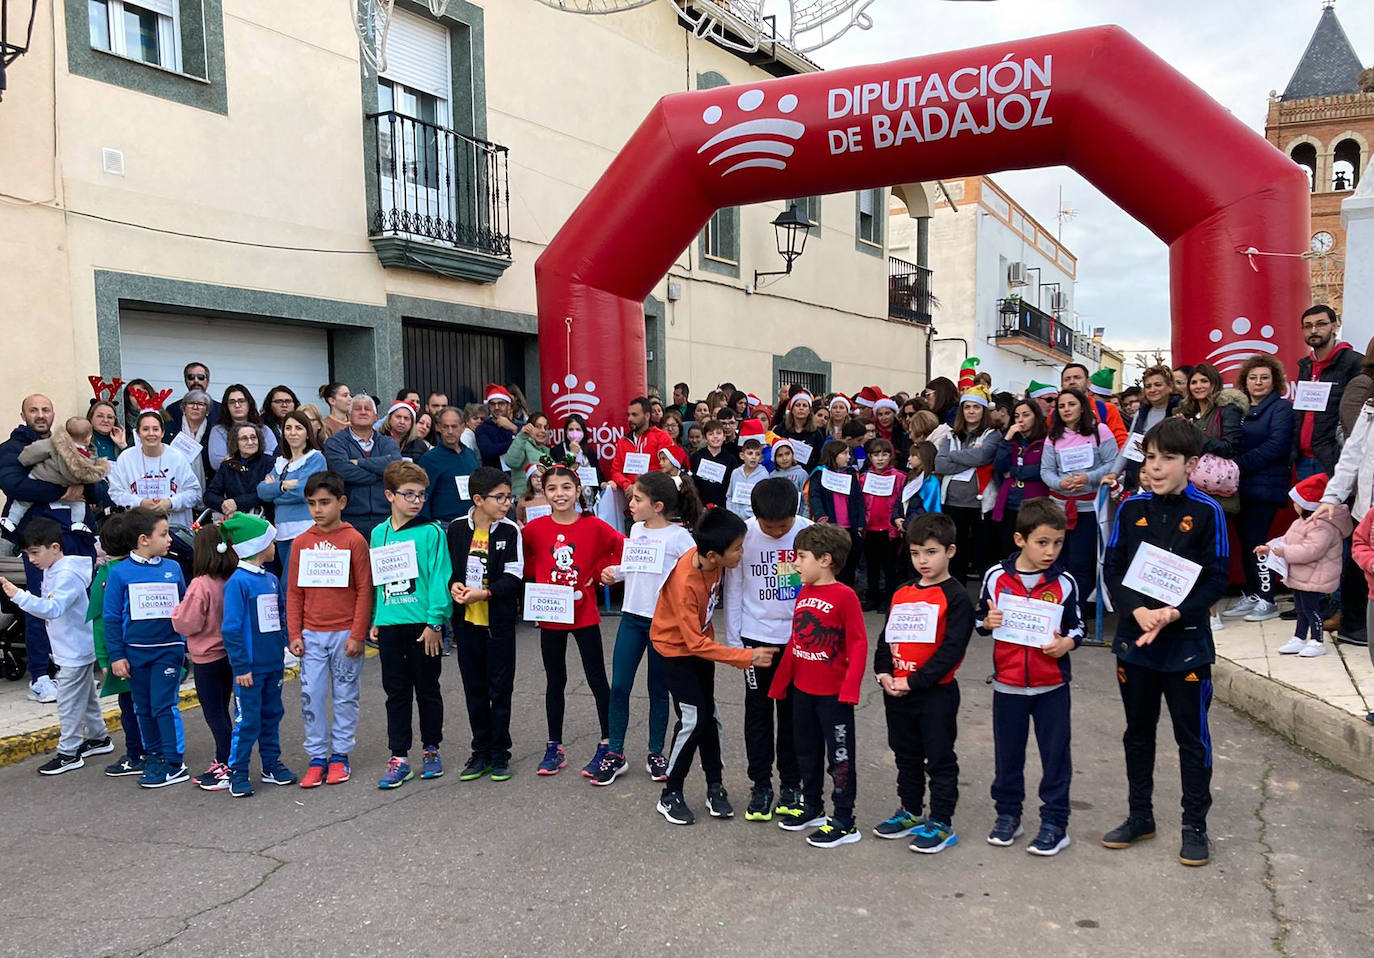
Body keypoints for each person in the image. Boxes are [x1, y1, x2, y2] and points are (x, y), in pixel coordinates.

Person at [1101, 418, 1230, 867]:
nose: (1155, 468)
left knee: (1191, 738)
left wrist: (1176, 612)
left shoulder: (1209, 512)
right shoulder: (1130, 509)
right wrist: (1135, 611)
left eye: (1168, 459)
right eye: (1150, 457)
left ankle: (1195, 825)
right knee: (1137, 733)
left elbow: (1218, 578)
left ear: (1191, 464)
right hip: (1136, 643)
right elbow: (1113, 568)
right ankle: (1141, 816)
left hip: (1187, 646)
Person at [651, 508, 779, 825]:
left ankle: (715, 787)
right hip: (674, 651)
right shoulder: (685, 583)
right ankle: (670, 794)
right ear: (713, 554)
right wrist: (746, 657)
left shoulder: (717, 563)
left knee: (710, 716)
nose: (742, 553)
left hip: (699, 648)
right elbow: (692, 643)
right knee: (694, 719)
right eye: (737, 548)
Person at [974, 499, 1083, 856]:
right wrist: (987, 623)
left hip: (1051, 686)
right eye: (1042, 542)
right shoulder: (995, 577)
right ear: (1020, 539)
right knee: (1008, 755)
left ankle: (1055, 822)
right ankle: (1008, 816)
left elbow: (1077, 626)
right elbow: (979, 620)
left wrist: (1067, 642)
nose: (1051, 551)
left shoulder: (1065, 583)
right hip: (1007, 684)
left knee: (1055, 757)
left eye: (1058, 543)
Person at [872, 513, 972, 853]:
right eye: (916, 553)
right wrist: (884, 672)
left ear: (950, 551)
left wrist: (913, 681)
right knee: (906, 754)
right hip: (897, 690)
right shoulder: (902, 592)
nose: (922, 561)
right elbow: (886, 639)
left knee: (939, 757)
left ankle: (941, 822)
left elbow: (952, 651)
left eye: (931, 552)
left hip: (935, 693)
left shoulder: (956, 597)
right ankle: (911, 811)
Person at [594, 471, 701, 786]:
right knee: (620, 687)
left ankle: (656, 752)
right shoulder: (637, 529)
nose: (631, 504)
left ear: (658, 505)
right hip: (631, 618)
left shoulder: (681, 538)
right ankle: (615, 753)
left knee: (658, 690)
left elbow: (693, 579)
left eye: (637, 499)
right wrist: (615, 572)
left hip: (663, 626)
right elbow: (633, 567)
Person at [766, 523, 868, 848]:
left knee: (839, 758)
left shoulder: (845, 596)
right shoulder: (804, 592)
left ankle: (844, 820)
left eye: (801, 557)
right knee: (805, 751)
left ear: (825, 559)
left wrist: (850, 689)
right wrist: (780, 684)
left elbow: (859, 644)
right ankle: (812, 806)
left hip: (833, 696)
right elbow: (796, 642)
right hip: (803, 692)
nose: (795, 563)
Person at [522, 466, 623, 776]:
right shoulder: (533, 529)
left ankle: (608, 742)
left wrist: (602, 574)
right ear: (544, 493)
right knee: (555, 680)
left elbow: (622, 548)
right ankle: (555, 746)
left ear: (578, 491)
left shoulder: (594, 526)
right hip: (551, 615)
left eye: (566, 487)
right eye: (552, 489)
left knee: (596, 678)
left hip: (584, 614)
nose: (560, 494)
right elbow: (524, 564)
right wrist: (539, 582)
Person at [724, 477, 813, 823]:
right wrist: (735, 644)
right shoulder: (743, 534)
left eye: (783, 526)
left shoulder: (807, 534)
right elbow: (734, 589)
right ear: (755, 516)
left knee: (792, 715)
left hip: (798, 639)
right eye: (768, 526)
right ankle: (761, 785)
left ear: (796, 514)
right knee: (758, 713)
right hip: (755, 639)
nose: (776, 532)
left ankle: (791, 784)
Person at [1, 394, 96, 702]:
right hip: (39, 541)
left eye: (46, 409)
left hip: (74, 537)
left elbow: (94, 486)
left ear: (54, 414)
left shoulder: (70, 444)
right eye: (34, 410)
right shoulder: (12, 449)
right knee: (41, 605)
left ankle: (74, 674)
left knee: (78, 606)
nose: (40, 415)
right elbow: (15, 486)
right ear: (23, 414)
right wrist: (63, 490)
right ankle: (40, 675)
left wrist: (82, 483)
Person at [1, 518, 109, 775]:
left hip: (74, 649)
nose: (32, 559)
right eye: (28, 554)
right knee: (87, 697)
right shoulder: (57, 569)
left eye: (35, 553)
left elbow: (53, 608)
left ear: (55, 548)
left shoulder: (67, 575)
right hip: (73, 647)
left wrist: (19, 595)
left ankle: (69, 752)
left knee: (69, 703)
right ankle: (98, 738)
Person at [367, 461, 451, 788]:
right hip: (391, 624)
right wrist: (377, 617)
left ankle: (431, 748)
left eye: (420, 495)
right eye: (408, 494)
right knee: (396, 691)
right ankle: (399, 756)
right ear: (390, 495)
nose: (416, 501)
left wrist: (435, 622)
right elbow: (379, 579)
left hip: (422, 625)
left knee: (427, 689)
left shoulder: (431, 532)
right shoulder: (378, 533)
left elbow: (440, 577)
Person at [287, 471, 373, 788]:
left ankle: (340, 755)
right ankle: (317, 756)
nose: (318, 510)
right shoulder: (301, 543)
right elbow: (294, 591)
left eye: (324, 502)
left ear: (342, 502)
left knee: (346, 695)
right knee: (312, 694)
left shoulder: (354, 541)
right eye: (312, 504)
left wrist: (357, 633)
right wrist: (294, 633)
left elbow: (365, 589)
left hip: (344, 633)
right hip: (311, 633)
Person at [102, 507, 190, 789]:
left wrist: (187, 644)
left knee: (164, 705)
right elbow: (112, 617)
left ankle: (174, 762)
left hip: (169, 650)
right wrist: (116, 655)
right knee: (143, 707)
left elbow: (185, 608)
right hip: (135, 652)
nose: (169, 540)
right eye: (164, 535)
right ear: (143, 539)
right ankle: (153, 755)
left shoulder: (173, 568)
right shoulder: (120, 574)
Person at [445, 467, 523, 783]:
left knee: (500, 688)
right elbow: (449, 570)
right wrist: (454, 586)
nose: (507, 503)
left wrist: (486, 593)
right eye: (500, 497)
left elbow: (514, 576)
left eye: (509, 496)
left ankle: (500, 753)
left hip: (498, 622)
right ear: (478, 499)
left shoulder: (510, 531)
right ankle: (480, 750)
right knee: (474, 688)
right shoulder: (456, 528)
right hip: (467, 623)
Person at [217, 512, 295, 797]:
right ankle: (237, 771)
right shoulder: (238, 583)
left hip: (272, 663)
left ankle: (271, 764)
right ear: (257, 546)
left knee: (272, 714)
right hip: (249, 669)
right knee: (247, 719)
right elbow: (232, 628)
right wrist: (241, 667)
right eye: (270, 541)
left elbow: (281, 616)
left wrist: (287, 645)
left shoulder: (270, 579)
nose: (274, 545)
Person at [1225, 356, 1295, 624]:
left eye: (1264, 377)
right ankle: (1252, 593)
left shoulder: (1281, 408)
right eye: (1253, 377)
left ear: (1274, 380)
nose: (1258, 382)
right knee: (1245, 542)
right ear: (1245, 381)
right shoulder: (1238, 408)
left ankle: (1267, 598)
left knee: (1257, 542)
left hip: (1265, 485)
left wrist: (1237, 465)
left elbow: (1277, 445)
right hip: (1241, 487)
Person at [1041, 388, 1117, 627]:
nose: (1066, 409)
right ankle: (1057, 613)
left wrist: (1088, 478)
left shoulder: (1099, 431)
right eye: (1061, 406)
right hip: (1059, 509)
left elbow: (1114, 463)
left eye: (1071, 404)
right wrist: (1059, 482)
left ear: (1082, 406)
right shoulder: (1053, 436)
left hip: (1089, 508)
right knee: (1057, 561)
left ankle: (1078, 617)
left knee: (1081, 564)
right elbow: (1046, 471)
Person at [170, 524, 238, 791]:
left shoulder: (200, 584)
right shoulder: (231, 579)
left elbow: (187, 622)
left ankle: (225, 761)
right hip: (228, 655)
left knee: (214, 713)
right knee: (223, 708)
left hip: (206, 658)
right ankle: (226, 758)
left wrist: (175, 612)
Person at [1259, 475, 1351, 658]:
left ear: (1308, 505)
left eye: (1296, 502)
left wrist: (1284, 551)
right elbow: (1286, 539)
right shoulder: (1300, 522)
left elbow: (1311, 551)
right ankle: (1299, 638)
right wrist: (1269, 547)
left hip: (1315, 576)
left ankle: (1317, 641)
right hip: (1300, 575)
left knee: (1311, 609)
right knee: (1301, 609)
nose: (1293, 505)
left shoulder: (1322, 526)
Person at [88, 513, 145, 776]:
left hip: (121, 654)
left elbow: (100, 623)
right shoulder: (147, 568)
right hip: (147, 650)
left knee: (129, 708)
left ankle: (136, 754)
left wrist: (104, 660)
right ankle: (157, 749)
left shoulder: (107, 575)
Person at [935, 384, 1002, 582]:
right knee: (956, 555)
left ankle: (985, 600)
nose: (971, 411)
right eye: (967, 407)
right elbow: (940, 464)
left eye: (976, 407)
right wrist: (969, 460)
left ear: (984, 410)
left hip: (980, 504)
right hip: (953, 503)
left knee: (983, 555)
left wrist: (954, 456)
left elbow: (982, 456)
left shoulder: (993, 434)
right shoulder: (950, 434)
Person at [4, 415, 108, 534]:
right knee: (79, 502)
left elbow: (32, 453)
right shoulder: (89, 457)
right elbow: (93, 478)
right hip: (70, 484)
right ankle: (77, 523)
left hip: (42, 478)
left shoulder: (54, 444)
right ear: (89, 438)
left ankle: (11, 521)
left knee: (22, 502)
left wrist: (24, 461)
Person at [1294, 304, 1363, 479]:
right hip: (1304, 457)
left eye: (1321, 324)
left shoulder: (1354, 363)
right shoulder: (1305, 365)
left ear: (1335, 325)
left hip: (1335, 458)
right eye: (1308, 326)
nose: (1314, 330)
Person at [256, 410, 327, 579]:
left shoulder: (315, 458)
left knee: (290, 584)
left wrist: (274, 491)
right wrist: (282, 486)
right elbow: (261, 491)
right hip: (282, 532)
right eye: (288, 428)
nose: (293, 432)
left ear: (308, 433)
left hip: (305, 530)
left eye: (298, 428)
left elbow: (303, 491)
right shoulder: (281, 462)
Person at [108, 410, 202, 532]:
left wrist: (170, 503)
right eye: (145, 429)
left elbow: (195, 493)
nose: (151, 434)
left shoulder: (177, 457)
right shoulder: (126, 458)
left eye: (156, 429)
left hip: (174, 528)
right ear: (138, 433)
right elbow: (115, 493)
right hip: (138, 528)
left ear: (162, 432)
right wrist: (140, 503)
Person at [323, 395, 401, 538]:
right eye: (358, 409)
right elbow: (343, 472)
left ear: (376, 417)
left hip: (386, 518)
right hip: (350, 519)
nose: (363, 412)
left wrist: (360, 462)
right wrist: (380, 473)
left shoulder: (388, 443)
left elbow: (396, 467)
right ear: (349, 415)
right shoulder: (335, 442)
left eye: (368, 409)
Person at [991, 399, 1050, 558]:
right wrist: (1007, 438)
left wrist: (1015, 472)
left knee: (1032, 551)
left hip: (1035, 504)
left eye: (1026, 415)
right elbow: (999, 466)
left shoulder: (1046, 441)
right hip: (1009, 503)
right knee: (1009, 551)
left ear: (1035, 416)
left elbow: (1041, 470)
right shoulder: (1011, 441)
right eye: (1016, 416)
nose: (1020, 420)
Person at [1108, 365, 1178, 493]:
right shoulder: (1141, 413)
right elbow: (1129, 444)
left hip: (1169, 480)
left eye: (1158, 385)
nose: (1153, 389)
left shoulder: (1181, 411)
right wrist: (1114, 473)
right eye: (1148, 386)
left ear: (1170, 386)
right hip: (1138, 478)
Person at [807, 439, 865, 588]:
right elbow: (815, 497)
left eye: (849, 454)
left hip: (849, 526)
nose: (848, 457)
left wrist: (859, 523)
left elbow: (858, 498)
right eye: (844, 453)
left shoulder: (851, 473)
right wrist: (821, 516)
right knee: (832, 563)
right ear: (833, 455)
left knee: (850, 562)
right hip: (831, 526)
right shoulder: (819, 474)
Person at [860, 437, 905, 609]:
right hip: (869, 528)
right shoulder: (864, 478)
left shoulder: (900, 477)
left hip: (889, 528)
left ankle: (889, 598)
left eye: (884, 454)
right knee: (872, 565)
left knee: (889, 565)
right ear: (870, 457)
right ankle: (872, 597)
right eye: (876, 454)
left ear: (890, 456)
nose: (880, 458)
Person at [419, 406, 480, 524]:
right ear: (438, 428)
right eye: (446, 427)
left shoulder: (470, 455)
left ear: (463, 427)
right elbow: (423, 496)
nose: (450, 431)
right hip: (444, 524)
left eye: (454, 426)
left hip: (472, 522)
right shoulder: (429, 459)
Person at [204, 424, 274, 520]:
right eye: (244, 439)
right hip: (234, 520)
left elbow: (268, 492)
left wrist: (237, 503)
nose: (250, 442)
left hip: (262, 519)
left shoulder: (270, 463)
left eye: (253, 438)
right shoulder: (227, 465)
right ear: (236, 443)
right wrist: (225, 504)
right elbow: (209, 495)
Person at [607, 397, 673, 492]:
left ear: (647, 416)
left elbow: (666, 469)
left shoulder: (662, 437)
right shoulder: (623, 442)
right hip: (630, 498)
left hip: (655, 495)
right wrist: (627, 485)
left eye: (634, 415)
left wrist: (640, 487)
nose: (630, 419)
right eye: (628, 415)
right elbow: (615, 471)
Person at [207, 385, 278, 472]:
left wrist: (234, 461)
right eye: (232, 402)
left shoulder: (264, 429)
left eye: (241, 401)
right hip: (231, 480)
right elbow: (216, 463)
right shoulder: (219, 430)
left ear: (249, 403)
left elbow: (273, 457)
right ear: (226, 406)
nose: (237, 405)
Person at [1060, 364, 1128, 448]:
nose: (1072, 382)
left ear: (1088, 383)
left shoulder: (1107, 409)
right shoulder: (1054, 413)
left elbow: (1121, 442)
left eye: (1077, 377)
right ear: (1062, 385)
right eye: (1067, 379)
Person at [548, 413, 603, 513]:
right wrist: (572, 454)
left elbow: (598, 474)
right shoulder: (557, 451)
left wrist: (603, 483)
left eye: (578, 429)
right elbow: (560, 473)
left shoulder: (589, 452)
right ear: (565, 432)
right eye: (571, 429)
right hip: (567, 504)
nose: (574, 433)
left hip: (589, 504)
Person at [164, 388, 214, 493]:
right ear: (184, 408)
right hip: (172, 488)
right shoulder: (170, 429)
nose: (195, 407)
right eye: (191, 403)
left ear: (207, 410)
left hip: (208, 488)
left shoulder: (213, 432)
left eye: (201, 404)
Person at [690, 420, 738, 511]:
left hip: (722, 507)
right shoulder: (696, 457)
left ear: (724, 436)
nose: (715, 436)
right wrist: (699, 505)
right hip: (699, 507)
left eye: (719, 433)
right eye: (711, 434)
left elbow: (731, 486)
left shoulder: (731, 460)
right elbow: (693, 484)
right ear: (705, 438)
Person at [774, 392, 828, 471]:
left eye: (805, 405)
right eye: (798, 405)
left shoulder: (816, 434)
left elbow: (820, 458)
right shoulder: (781, 430)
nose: (801, 408)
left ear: (809, 411)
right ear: (792, 410)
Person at [726, 420, 769, 521]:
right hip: (734, 519)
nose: (753, 457)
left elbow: (761, 500)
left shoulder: (764, 475)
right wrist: (732, 513)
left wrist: (745, 514)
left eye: (757, 454)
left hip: (753, 520)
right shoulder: (735, 473)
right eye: (750, 453)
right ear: (742, 455)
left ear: (761, 457)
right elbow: (729, 496)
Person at [504, 411, 551, 498]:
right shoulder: (523, 443)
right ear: (529, 427)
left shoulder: (546, 451)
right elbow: (511, 462)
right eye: (538, 427)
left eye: (546, 427)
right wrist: (522, 436)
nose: (543, 431)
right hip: (524, 499)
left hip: (542, 500)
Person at [475, 384, 520, 469]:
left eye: (501, 403)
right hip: (494, 477)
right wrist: (516, 442)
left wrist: (513, 428)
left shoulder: (518, 426)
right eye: (492, 404)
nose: (496, 407)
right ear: (488, 406)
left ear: (509, 405)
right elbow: (488, 451)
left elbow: (533, 442)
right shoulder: (482, 428)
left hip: (518, 476)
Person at [165, 362, 218, 434]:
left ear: (208, 381)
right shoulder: (172, 410)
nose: (196, 381)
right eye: (191, 377)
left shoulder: (220, 410)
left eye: (200, 377)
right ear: (185, 381)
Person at [768, 439, 808, 510]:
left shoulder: (801, 474)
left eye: (787, 453)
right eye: (780, 455)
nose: (784, 458)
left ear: (793, 454)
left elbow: (806, 500)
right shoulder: (772, 476)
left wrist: (804, 518)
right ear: (774, 458)